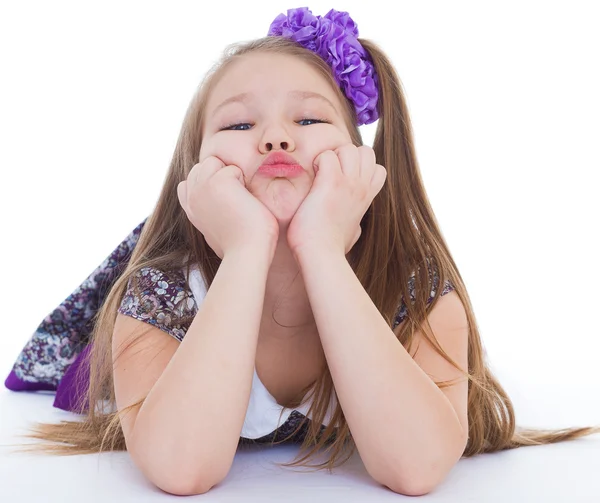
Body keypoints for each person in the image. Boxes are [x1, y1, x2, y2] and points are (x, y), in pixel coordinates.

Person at [6, 6, 600, 497]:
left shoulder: (415, 287)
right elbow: (182, 469)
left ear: (360, 159)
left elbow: (416, 468)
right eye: (238, 126)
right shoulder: (161, 292)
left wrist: (319, 248)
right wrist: (245, 251)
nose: (275, 137)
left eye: (310, 118)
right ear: (198, 175)